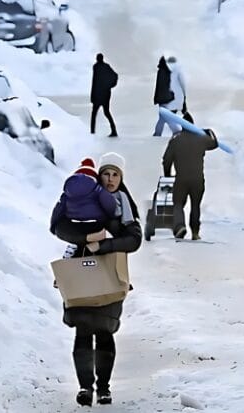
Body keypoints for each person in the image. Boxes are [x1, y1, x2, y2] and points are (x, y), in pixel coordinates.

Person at [53, 152, 142, 407]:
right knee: (83, 332)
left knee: (104, 332)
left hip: (110, 276)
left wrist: (103, 245)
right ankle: (85, 387)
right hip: (80, 274)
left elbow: (134, 240)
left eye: (116, 175)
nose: (111, 179)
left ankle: (103, 388)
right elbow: (60, 228)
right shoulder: (80, 201)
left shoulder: (123, 204)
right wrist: (86, 237)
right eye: (106, 174)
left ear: (121, 178)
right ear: (98, 176)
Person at [162, 114, 218, 240]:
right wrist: (209, 132)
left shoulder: (175, 141)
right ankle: (195, 232)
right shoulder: (201, 139)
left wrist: (167, 175)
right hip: (198, 179)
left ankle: (179, 226)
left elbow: (166, 160)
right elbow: (214, 144)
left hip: (181, 179)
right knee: (195, 205)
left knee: (177, 204)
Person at [49, 158, 118, 257]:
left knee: (64, 229)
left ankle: (75, 246)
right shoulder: (98, 189)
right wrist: (111, 216)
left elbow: (58, 210)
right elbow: (110, 204)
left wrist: (54, 227)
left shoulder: (67, 193)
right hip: (94, 225)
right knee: (96, 237)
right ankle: (92, 251)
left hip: (74, 226)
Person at [153, 55, 187, 136]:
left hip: (161, 98)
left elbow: (159, 86)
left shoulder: (161, 71)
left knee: (162, 117)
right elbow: (166, 86)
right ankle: (176, 131)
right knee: (167, 117)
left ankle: (157, 133)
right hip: (165, 98)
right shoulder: (167, 72)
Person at [90, 53, 119, 137]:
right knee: (106, 112)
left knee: (94, 113)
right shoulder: (106, 67)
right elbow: (115, 76)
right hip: (105, 94)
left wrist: (93, 96)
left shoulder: (96, 67)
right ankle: (113, 130)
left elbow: (94, 83)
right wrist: (110, 85)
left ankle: (92, 132)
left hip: (98, 95)